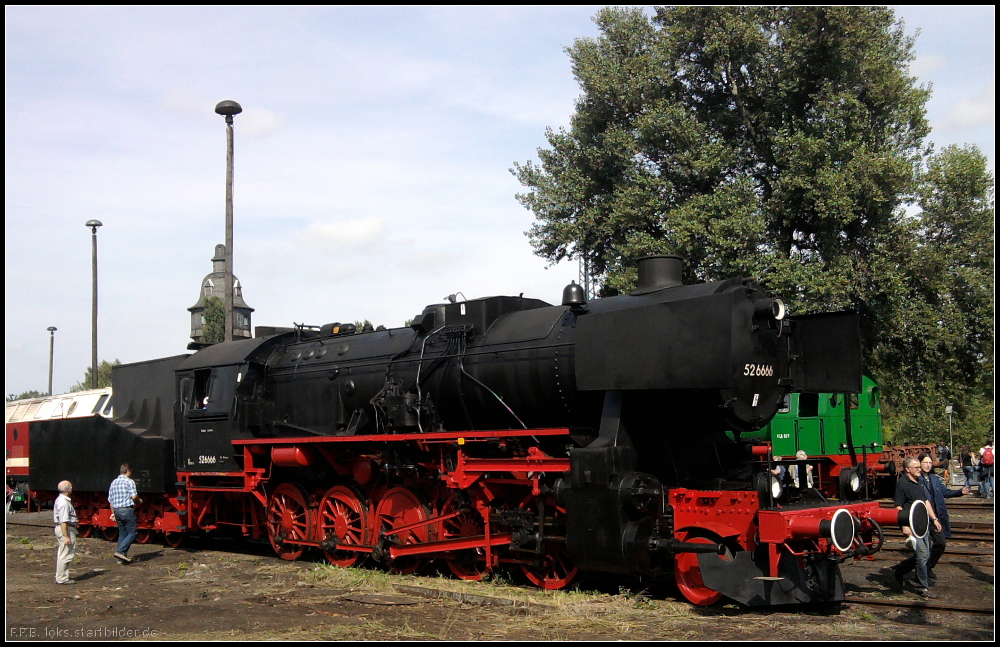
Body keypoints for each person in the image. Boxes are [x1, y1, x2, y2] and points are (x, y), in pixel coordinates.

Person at [884, 456, 942, 599]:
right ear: (907, 469)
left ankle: (899, 569)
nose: (919, 469)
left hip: (923, 523)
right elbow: (898, 506)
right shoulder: (902, 484)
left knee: (925, 554)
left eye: (919, 467)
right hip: (912, 525)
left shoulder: (920, 481)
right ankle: (923, 587)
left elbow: (925, 501)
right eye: (916, 467)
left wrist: (934, 519)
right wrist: (904, 526)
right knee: (922, 556)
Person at [918, 453, 969, 578]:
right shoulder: (916, 479)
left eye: (930, 463)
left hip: (937, 517)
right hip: (922, 518)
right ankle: (920, 572)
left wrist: (959, 492)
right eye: (925, 462)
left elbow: (944, 492)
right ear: (919, 463)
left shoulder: (934, 478)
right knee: (923, 550)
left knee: (940, 544)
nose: (928, 465)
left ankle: (927, 567)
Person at [108, 463, 142, 563]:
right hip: (127, 509)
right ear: (128, 471)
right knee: (133, 532)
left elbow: (110, 500)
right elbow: (134, 497)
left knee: (122, 533)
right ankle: (120, 551)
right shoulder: (129, 482)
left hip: (117, 510)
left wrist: (113, 513)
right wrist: (139, 501)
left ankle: (120, 558)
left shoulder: (114, 482)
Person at [53, 480, 78, 585]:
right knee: (65, 554)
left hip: (64, 528)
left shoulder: (60, 500)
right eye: (71, 487)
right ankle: (62, 578)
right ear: (68, 489)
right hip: (66, 529)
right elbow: (64, 521)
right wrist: (66, 536)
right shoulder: (64, 503)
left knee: (62, 553)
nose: (72, 488)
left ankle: (62, 576)